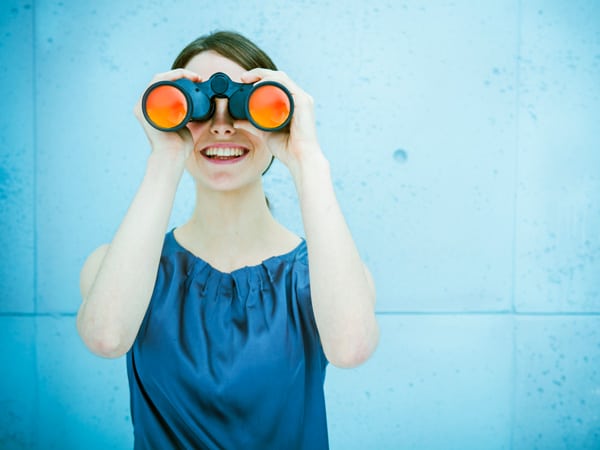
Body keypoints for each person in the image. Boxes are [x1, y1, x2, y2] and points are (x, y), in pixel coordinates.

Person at [76, 30, 379, 450]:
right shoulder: (120, 267)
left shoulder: (321, 276)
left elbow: (351, 348)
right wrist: (165, 156)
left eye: (245, 106)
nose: (221, 127)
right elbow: (106, 337)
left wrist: (307, 158)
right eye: (198, 108)